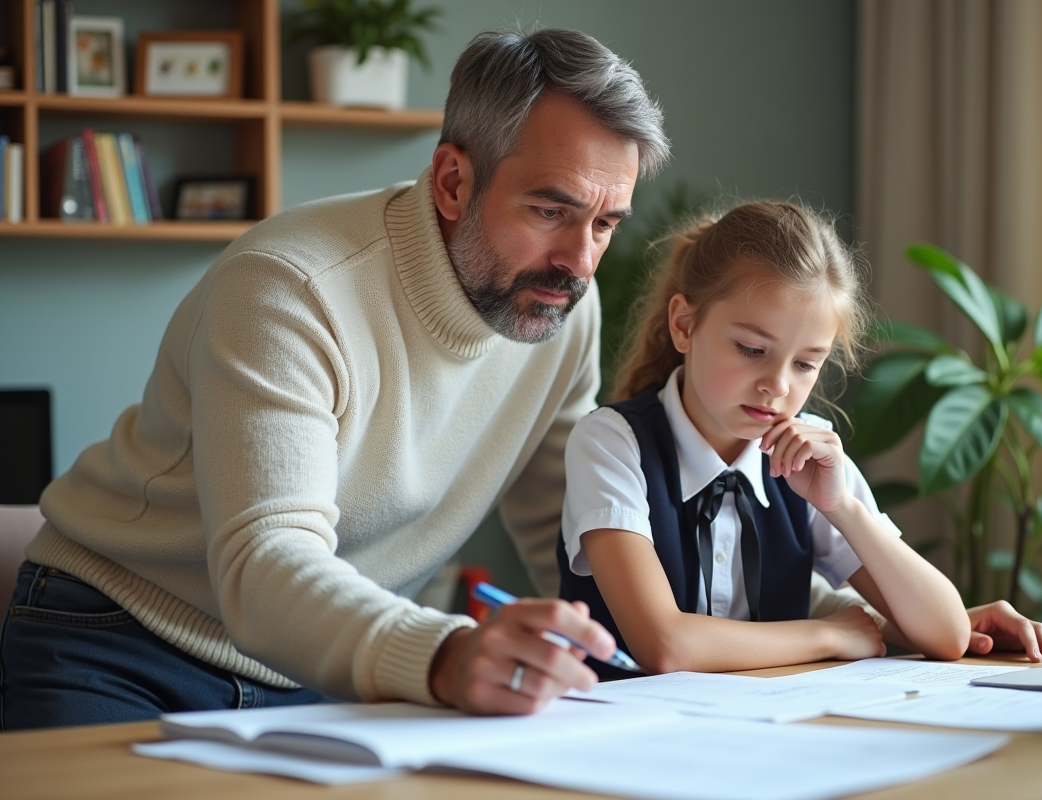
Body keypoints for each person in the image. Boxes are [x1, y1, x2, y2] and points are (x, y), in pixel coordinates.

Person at [0, 28, 670, 730]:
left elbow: (567, 529)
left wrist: (676, 644)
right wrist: (443, 654)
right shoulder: (291, 287)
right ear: (452, 182)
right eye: (551, 211)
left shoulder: (560, 303)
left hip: (322, 667)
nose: (579, 261)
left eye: (604, 224)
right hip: (121, 639)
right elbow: (264, 564)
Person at [558, 201, 1042, 676]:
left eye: (807, 363)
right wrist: (830, 634)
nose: (778, 386)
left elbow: (947, 633)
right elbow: (666, 646)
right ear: (684, 325)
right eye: (750, 348)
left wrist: (843, 507)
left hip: (773, 736)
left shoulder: (811, 455)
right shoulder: (611, 443)